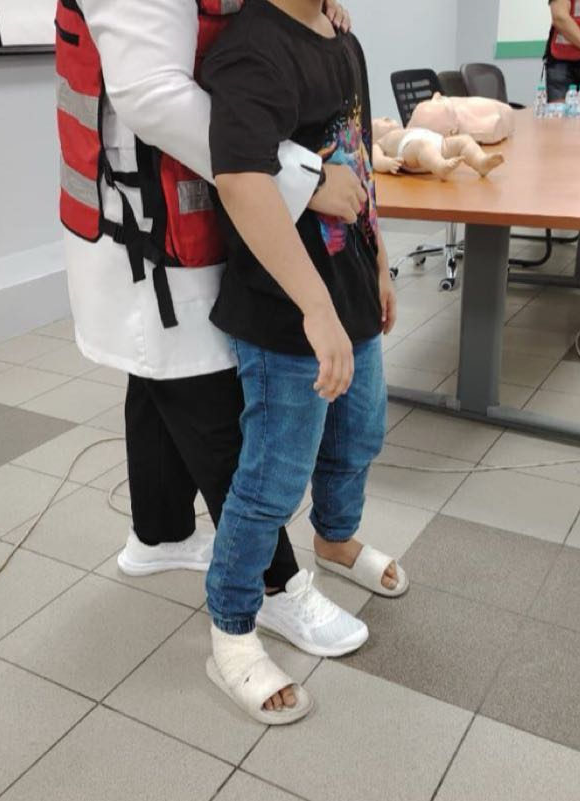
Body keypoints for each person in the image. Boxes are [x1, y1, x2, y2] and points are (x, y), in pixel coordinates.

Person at [55, 0, 371, 659]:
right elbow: (152, 94)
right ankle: (273, 585)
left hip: (187, 205)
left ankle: (160, 533)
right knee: (207, 397)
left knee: (158, 380)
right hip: (156, 219)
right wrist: (300, 176)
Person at [201, 0, 407, 724]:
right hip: (284, 313)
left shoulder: (342, 39)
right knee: (271, 481)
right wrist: (316, 311)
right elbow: (241, 181)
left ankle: (337, 539)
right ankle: (231, 627)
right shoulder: (250, 49)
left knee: (359, 435)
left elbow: (358, 157)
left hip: (350, 290)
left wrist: (379, 261)